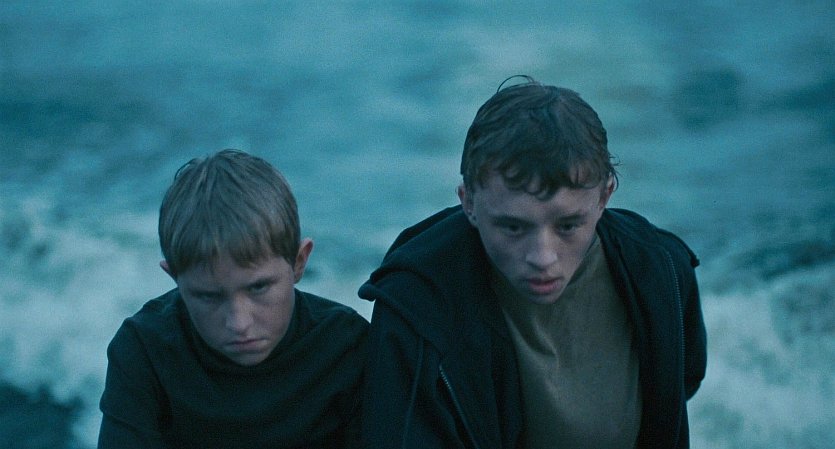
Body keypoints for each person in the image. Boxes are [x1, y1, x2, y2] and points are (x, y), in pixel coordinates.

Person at [359, 76, 707, 448]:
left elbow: (683, 381)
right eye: (512, 227)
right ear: (469, 202)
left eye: (568, 225)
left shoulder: (660, 269)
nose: (542, 257)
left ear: (604, 197)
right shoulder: (416, 302)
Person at [98, 149, 368, 449]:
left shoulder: (347, 346)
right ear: (174, 277)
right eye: (208, 296)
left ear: (298, 262)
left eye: (258, 287)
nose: (239, 323)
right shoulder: (144, 350)